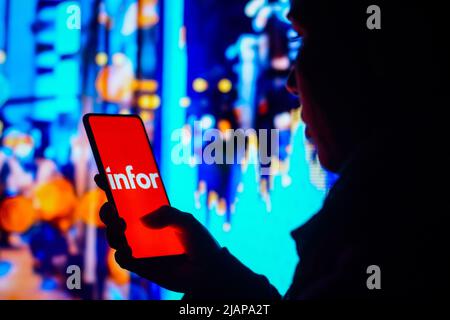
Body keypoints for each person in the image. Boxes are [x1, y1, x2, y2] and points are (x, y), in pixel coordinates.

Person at [95, 0, 448, 299]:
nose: (293, 83)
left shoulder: (375, 235)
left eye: (301, 38)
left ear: (370, 56)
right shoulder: (392, 213)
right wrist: (208, 275)